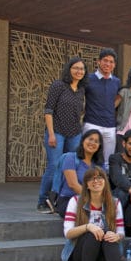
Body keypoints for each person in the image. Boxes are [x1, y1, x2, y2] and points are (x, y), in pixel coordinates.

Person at [61, 167, 131, 261]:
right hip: (79, 255)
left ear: (105, 181)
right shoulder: (76, 201)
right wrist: (88, 227)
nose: (96, 181)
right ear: (86, 184)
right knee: (93, 233)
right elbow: (68, 233)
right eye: (91, 178)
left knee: (109, 236)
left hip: (103, 256)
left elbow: (121, 232)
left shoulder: (115, 203)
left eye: (100, 177)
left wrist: (116, 235)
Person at [37, 57, 88, 213]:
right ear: (69, 69)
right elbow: (48, 110)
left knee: (70, 167)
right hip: (57, 132)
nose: (79, 71)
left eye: (82, 69)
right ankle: (42, 201)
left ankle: (59, 200)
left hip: (74, 134)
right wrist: (51, 134)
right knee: (54, 166)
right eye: (75, 68)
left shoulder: (81, 90)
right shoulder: (58, 86)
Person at [83, 48, 121, 169]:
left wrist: (110, 107)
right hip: (91, 124)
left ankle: (102, 187)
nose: (108, 64)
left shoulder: (116, 82)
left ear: (114, 65)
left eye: (111, 62)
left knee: (107, 162)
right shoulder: (88, 79)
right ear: (98, 62)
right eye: (105, 60)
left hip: (110, 126)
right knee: (88, 157)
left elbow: (119, 98)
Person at [55, 129, 105, 218]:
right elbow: (73, 185)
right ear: (83, 141)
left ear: (99, 146)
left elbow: (102, 186)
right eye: (90, 139)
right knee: (89, 215)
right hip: (69, 200)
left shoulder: (99, 164)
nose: (92, 143)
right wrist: (92, 199)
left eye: (96, 141)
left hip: (93, 201)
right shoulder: (71, 158)